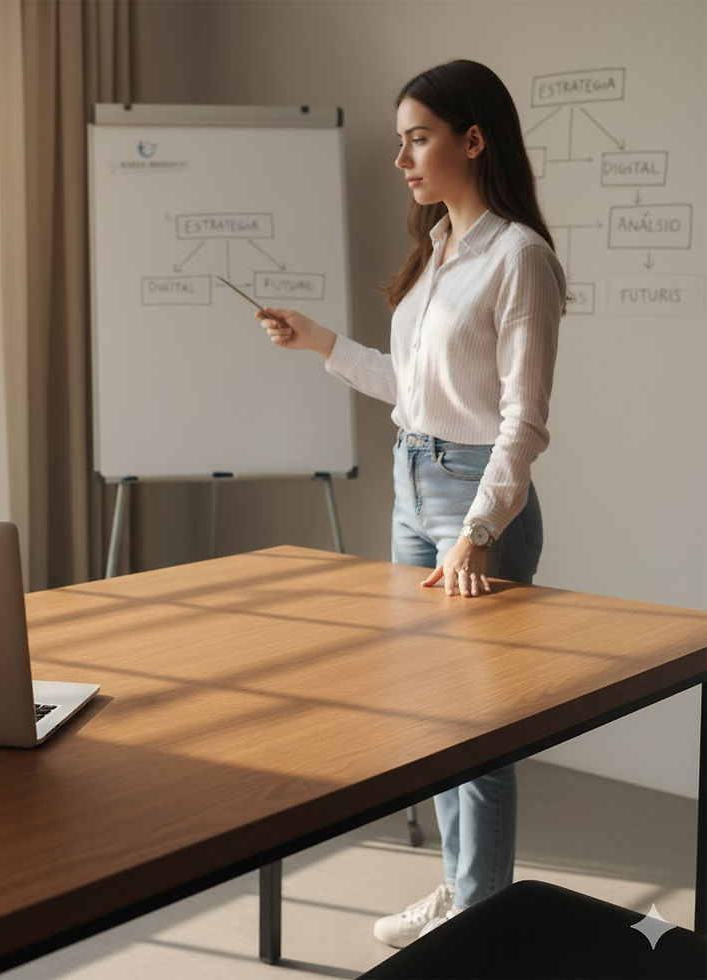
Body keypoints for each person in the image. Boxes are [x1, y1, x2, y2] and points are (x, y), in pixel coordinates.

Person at [256, 59, 566, 947]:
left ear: (474, 140)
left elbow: (522, 423)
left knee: (480, 726)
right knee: (433, 718)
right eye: (401, 141)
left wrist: (474, 534)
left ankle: (481, 919)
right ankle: (465, 891)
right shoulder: (435, 253)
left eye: (417, 138)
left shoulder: (520, 260)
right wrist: (319, 342)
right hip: (410, 481)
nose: (402, 159)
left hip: (476, 499)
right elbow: (415, 391)